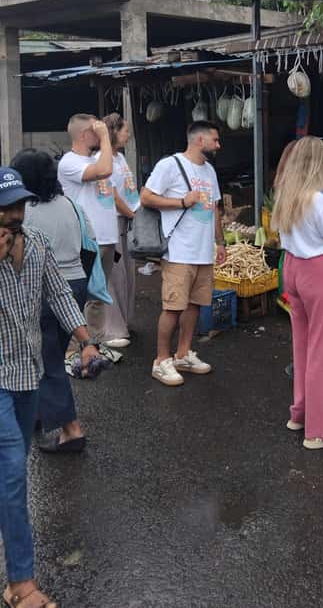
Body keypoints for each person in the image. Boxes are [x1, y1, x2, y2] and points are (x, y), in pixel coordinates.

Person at [0, 167, 98, 608]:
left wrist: (87, 342)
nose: (14, 217)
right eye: (6, 209)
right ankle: (21, 584)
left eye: (18, 207)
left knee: (10, 474)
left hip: (28, 377)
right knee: (13, 474)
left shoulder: (36, 246)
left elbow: (59, 295)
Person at [11, 149, 95, 454]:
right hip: (77, 284)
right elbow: (91, 240)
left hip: (45, 290)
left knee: (47, 362)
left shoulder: (23, 212)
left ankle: (71, 429)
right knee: (51, 356)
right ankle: (38, 412)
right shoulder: (70, 204)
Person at [272, 136, 323, 449]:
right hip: (318, 271)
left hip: (292, 268)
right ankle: (320, 432)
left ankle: (300, 413)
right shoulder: (317, 199)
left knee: (303, 346)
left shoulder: (285, 193)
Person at [140, 121, 226, 386]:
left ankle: (183, 354)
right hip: (179, 251)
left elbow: (213, 210)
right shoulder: (170, 165)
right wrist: (181, 202)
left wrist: (220, 243)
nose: (218, 145)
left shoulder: (210, 170)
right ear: (200, 140)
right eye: (215, 140)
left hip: (202, 252)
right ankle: (161, 361)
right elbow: (146, 197)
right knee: (173, 308)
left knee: (195, 306)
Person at [57, 113, 117, 343]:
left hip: (107, 238)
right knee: (78, 294)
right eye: (96, 129)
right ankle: (72, 349)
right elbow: (104, 171)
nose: (101, 132)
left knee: (99, 297)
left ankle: (95, 345)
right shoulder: (69, 162)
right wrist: (105, 137)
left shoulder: (97, 159)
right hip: (86, 241)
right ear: (84, 135)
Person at [102, 113, 140, 348]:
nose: (128, 134)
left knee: (127, 272)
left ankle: (123, 321)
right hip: (114, 220)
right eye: (125, 130)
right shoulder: (104, 159)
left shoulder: (120, 158)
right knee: (114, 275)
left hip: (127, 219)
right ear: (114, 132)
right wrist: (132, 213)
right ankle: (111, 329)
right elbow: (113, 196)